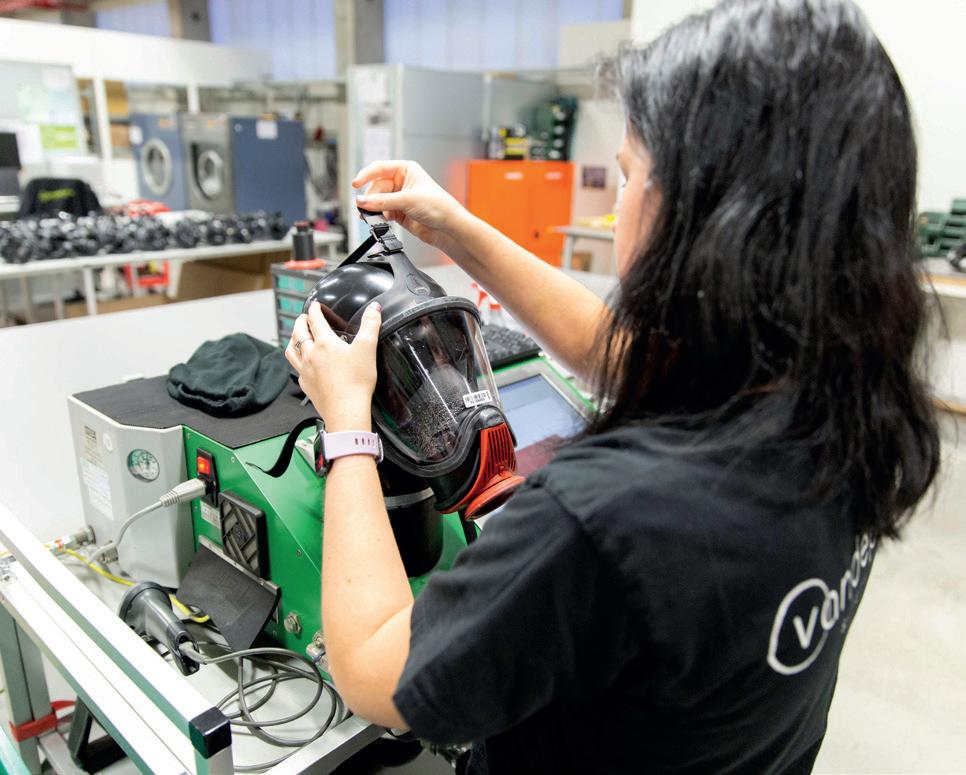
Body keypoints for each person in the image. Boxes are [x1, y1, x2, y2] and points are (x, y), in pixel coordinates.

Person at [284, 0, 940, 771]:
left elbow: (371, 666)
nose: (616, 200)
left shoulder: (605, 517)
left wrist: (347, 425)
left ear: (704, 214)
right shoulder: (848, 406)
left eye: (628, 174)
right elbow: (626, 356)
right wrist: (455, 227)